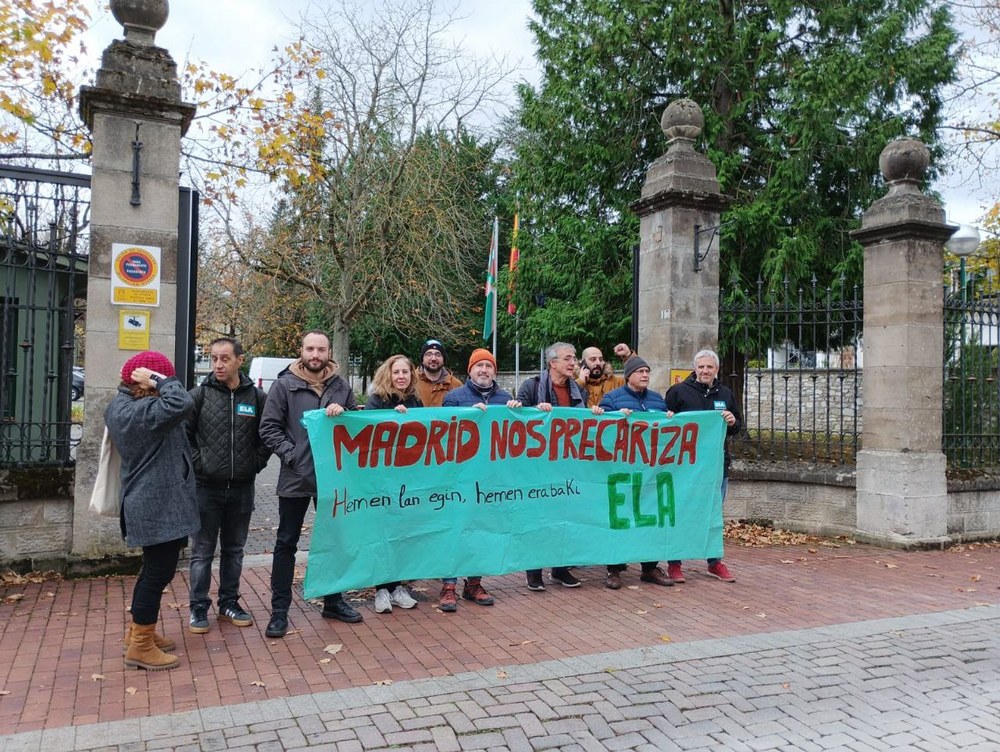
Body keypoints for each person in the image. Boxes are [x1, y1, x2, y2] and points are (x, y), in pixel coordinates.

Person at [258, 331, 363, 638]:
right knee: (286, 542)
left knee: (334, 540)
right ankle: (279, 611)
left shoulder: (341, 386)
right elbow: (269, 428)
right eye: (310, 348)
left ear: (329, 352)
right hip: (296, 477)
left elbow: (356, 425)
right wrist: (294, 457)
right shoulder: (284, 385)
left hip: (332, 479)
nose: (315, 354)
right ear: (301, 351)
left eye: (321, 349)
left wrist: (344, 414)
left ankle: (333, 600)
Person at [105, 350, 200, 671]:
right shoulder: (141, 410)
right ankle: (141, 646)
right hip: (155, 504)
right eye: (161, 379)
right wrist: (161, 379)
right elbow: (182, 403)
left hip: (158, 502)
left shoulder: (128, 406)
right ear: (146, 382)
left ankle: (139, 633)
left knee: (154, 571)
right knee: (157, 574)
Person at [186, 337, 271, 634]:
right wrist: (200, 464)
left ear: (239, 360)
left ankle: (228, 603)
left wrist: (255, 463)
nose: (218, 364)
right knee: (202, 551)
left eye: (224, 358)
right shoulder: (198, 396)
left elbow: (266, 435)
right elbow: (184, 437)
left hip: (242, 489)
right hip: (205, 488)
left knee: (234, 550)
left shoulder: (257, 397)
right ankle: (198, 607)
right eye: (213, 359)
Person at [438, 348, 522, 612]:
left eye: (489, 366)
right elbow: (444, 433)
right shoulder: (455, 398)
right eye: (479, 366)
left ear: (494, 371)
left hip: (491, 478)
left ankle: (473, 583)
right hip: (460, 477)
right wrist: (467, 416)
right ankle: (448, 585)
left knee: (482, 530)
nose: (484, 370)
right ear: (470, 370)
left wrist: (517, 413)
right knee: (456, 529)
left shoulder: (505, 398)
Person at [516, 342, 601, 591]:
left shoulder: (579, 392)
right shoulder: (531, 387)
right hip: (538, 466)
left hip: (568, 465)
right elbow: (516, 417)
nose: (573, 363)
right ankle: (534, 571)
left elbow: (581, 425)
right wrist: (535, 411)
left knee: (565, 517)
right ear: (552, 363)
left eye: (574, 358)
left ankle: (560, 569)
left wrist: (594, 414)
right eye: (568, 359)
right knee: (538, 519)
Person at [664, 349, 741, 584]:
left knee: (713, 514)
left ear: (716, 369)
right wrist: (667, 417)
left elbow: (738, 427)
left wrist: (732, 421)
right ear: (694, 368)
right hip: (684, 467)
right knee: (681, 512)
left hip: (717, 467)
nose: (705, 371)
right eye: (701, 367)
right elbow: (663, 425)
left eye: (710, 367)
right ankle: (674, 563)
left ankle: (714, 562)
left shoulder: (726, 394)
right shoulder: (678, 392)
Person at [598, 356, 674, 589]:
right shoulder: (612, 399)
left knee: (651, 519)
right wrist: (613, 416)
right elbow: (600, 426)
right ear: (628, 375)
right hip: (621, 471)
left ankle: (650, 568)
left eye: (647, 371)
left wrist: (670, 419)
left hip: (650, 472)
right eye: (640, 371)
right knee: (619, 519)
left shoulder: (657, 400)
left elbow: (665, 432)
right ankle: (614, 569)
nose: (644, 375)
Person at [360, 354, 421, 614]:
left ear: (411, 376)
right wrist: (391, 419)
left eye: (405, 372)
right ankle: (381, 590)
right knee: (381, 533)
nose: (400, 377)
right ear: (388, 374)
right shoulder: (376, 401)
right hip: (381, 480)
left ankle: (398, 587)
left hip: (406, 480)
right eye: (396, 372)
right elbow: (369, 434)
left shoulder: (416, 401)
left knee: (401, 534)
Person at [577, 343, 635, 407]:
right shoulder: (573, 382)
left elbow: (637, 377)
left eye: (601, 359)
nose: (598, 363)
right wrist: (580, 383)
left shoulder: (617, 382)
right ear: (582, 363)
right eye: (593, 359)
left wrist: (628, 356)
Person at [414, 338, 463, 407]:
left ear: (443, 360)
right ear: (422, 359)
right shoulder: (411, 381)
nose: (433, 358)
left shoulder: (456, 385)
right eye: (429, 354)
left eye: (438, 354)